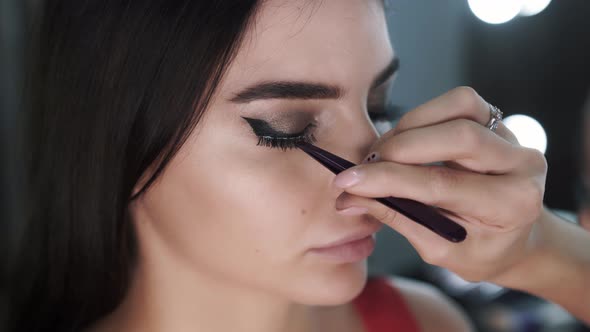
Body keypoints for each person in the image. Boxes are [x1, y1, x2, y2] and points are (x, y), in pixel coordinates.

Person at [7, 0, 590, 331]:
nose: (372, 182)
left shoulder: (419, 324)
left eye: (378, 106)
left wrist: (541, 251)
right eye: (286, 130)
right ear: (121, 136)